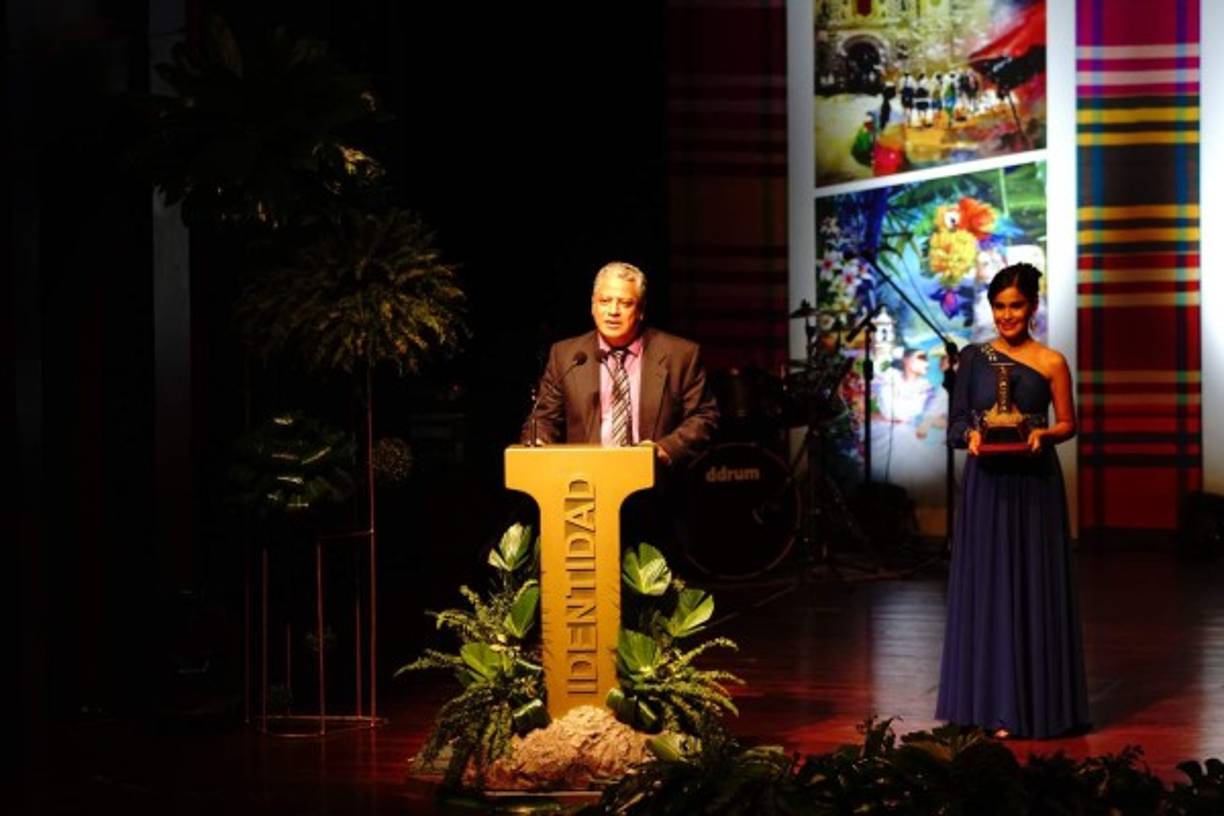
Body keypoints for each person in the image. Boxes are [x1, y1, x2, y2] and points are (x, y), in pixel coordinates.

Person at [936, 262, 1090, 739]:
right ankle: (987, 707)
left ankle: (1033, 706)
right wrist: (972, 438)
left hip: (1034, 484)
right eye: (1000, 306)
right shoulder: (973, 358)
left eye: (1016, 305)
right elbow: (957, 424)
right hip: (987, 485)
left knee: (1031, 587)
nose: (1007, 315)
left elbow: (1069, 423)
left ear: (1033, 307)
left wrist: (1045, 433)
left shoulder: (1051, 362)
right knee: (989, 590)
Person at [523, 261, 719, 469]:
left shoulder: (680, 355)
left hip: (655, 482)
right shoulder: (566, 356)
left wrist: (664, 449)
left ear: (641, 310)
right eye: (605, 301)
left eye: (625, 303)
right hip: (586, 477)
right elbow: (544, 418)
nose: (613, 311)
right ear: (593, 306)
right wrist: (539, 440)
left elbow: (704, 417)